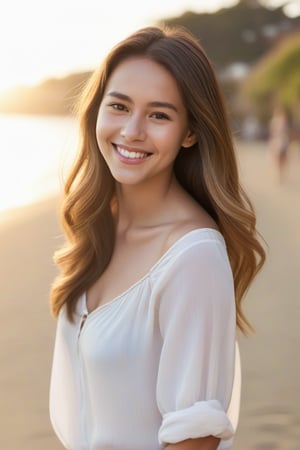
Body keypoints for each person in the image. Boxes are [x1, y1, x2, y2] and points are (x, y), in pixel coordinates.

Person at [49, 26, 265, 450]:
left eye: (159, 115)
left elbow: (194, 438)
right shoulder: (102, 229)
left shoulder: (193, 256)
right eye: (119, 106)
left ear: (190, 132)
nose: (132, 130)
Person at [268, 105, 291, 183]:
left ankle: (281, 176)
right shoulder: (276, 122)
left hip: (283, 144)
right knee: (278, 161)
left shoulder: (283, 123)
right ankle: (279, 177)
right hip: (278, 144)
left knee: (283, 161)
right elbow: (273, 134)